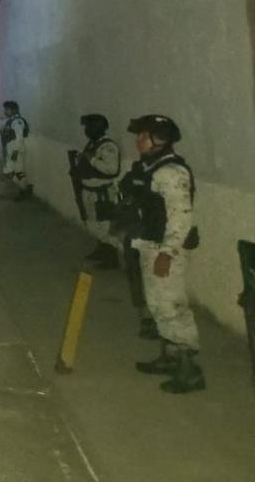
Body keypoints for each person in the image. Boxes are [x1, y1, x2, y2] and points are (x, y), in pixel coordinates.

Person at [122, 115, 205, 394]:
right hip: (149, 245)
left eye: (143, 135)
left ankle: (189, 371)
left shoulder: (171, 172)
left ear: (160, 139)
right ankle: (169, 357)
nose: (138, 140)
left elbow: (181, 216)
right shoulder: (150, 168)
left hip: (166, 249)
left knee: (171, 306)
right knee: (158, 304)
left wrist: (167, 253)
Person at [72, 114, 122, 269]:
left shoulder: (108, 146)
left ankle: (111, 257)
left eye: (89, 127)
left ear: (98, 128)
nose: (87, 130)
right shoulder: (93, 144)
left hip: (101, 194)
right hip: (89, 191)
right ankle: (102, 250)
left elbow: (112, 170)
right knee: (92, 224)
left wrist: (91, 159)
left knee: (104, 226)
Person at [1, 100, 32, 199]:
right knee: (12, 172)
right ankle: (25, 189)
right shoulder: (10, 121)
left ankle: (24, 191)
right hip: (11, 149)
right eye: (5, 109)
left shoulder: (17, 122)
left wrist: (15, 151)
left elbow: (20, 138)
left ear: (14, 110)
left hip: (16, 150)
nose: (5, 111)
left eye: (7, 109)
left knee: (16, 172)